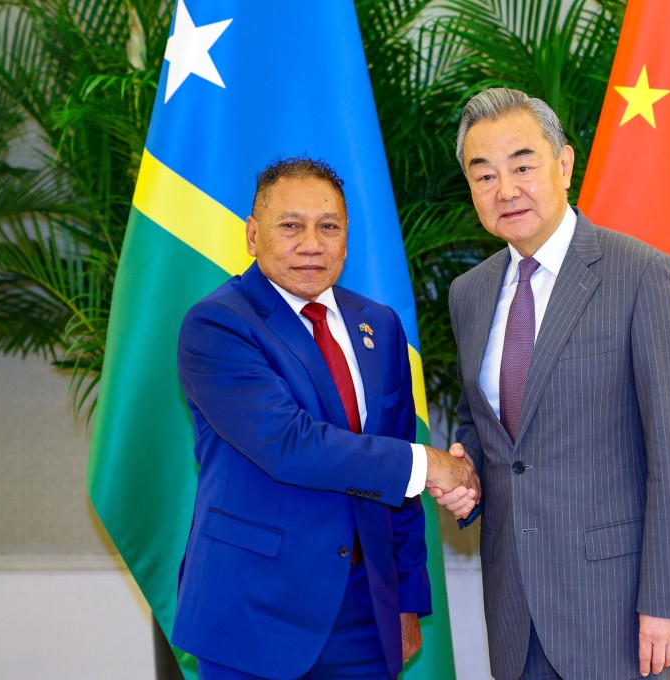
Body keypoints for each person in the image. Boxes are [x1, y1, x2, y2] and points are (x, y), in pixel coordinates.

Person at [432, 88, 670, 679]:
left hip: (618, 608)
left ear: (564, 163)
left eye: (523, 166)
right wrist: (465, 478)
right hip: (513, 602)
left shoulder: (642, 275)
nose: (506, 190)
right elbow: (485, 428)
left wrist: (668, 601)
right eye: (484, 176)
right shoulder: (470, 293)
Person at [173, 157, 479, 680]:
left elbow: (396, 481)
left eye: (329, 226)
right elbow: (289, 444)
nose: (311, 243)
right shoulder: (218, 324)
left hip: (365, 613)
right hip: (254, 613)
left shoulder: (379, 326)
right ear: (252, 235)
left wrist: (405, 601)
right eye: (290, 225)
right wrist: (429, 465)